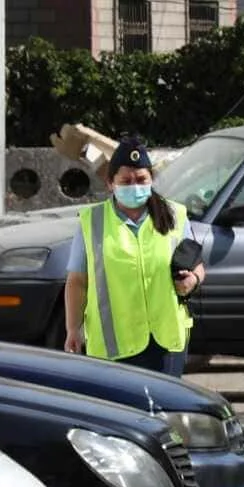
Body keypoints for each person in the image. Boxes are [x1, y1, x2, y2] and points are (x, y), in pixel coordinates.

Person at [62, 136, 205, 377]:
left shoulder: (175, 216)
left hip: (166, 343)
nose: (135, 186)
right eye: (126, 181)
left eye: (141, 180)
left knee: (163, 413)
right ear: (110, 183)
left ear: (151, 180)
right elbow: (77, 282)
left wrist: (193, 281)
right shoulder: (92, 222)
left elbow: (198, 266)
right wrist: (73, 329)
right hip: (114, 346)